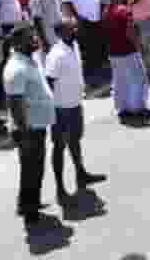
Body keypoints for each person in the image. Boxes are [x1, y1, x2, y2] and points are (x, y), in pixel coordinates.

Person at [43, 17, 106, 202]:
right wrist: (52, 110)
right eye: (71, 28)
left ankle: (81, 174)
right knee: (59, 147)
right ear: (62, 32)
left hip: (75, 103)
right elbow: (49, 83)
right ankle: (60, 188)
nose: (75, 30)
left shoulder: (74, 46)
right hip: (61, 108)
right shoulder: (55, 55)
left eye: (75, 27)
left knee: (75, 140)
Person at [3, 23, 55, 226]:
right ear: (18, 42)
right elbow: (15, 106)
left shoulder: (28, 60)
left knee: (30, 169)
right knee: (33, 169)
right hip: (28, 129)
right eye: (30, 37)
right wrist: (24, 134)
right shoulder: (16, 68)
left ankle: (26, 204)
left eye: (34, 35)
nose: (35, 39)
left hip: (35, 126)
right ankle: (31, 212)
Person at [102, 0, 150, 123]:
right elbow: (130, 32)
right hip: (128, 51)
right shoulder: (124, 10)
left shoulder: (106, 11)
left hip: (113, 52)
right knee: (138, 79)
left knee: (120, 81)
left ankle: (122, 108)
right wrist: (140, 47)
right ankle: (137, 108)